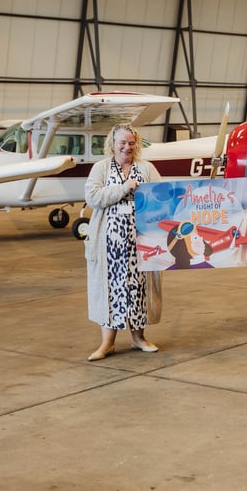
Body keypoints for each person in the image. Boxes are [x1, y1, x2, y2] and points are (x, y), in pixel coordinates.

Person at [84, 123, 162, 361]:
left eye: (131, 142)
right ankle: (107, 344)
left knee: (138, 290)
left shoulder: (146, 168)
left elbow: (162, 195)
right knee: (110, 290)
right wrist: (123, 188)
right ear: (113, 143)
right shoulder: (101, 168)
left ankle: (139, 339)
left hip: (140, 243)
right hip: (109, 244)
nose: (127, 147)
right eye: (122, 142)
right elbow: (93, 197)